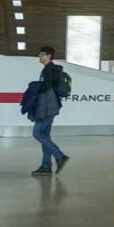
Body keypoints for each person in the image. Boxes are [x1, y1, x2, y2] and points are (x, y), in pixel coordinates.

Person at [31, 45, 70, 176]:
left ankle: (60, 156)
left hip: (47, 106)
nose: (39, 56)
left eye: (42, 54)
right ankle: (46, 166)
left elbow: (45, 87)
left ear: (49, 56)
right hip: (52, 105)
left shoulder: (49, 70)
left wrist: (34, 88)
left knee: (37, 133)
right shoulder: (53, 69)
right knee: (45, 135)